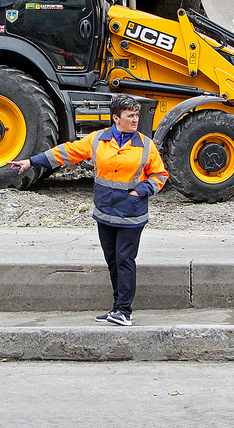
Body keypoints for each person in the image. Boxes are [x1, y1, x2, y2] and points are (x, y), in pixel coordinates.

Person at [10, 94, 168, 325]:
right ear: (116, 118)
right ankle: (117, 308)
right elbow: (66, 152)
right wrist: (32, 162)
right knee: (112, 261)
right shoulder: (97, 140)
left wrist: (140, 191)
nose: (135, 120)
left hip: (131, 215)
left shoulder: (146, 145)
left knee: (125, 260)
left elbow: (160, 175)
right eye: (130, 116)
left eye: (136, 115)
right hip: (105, 213)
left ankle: (124, 311)